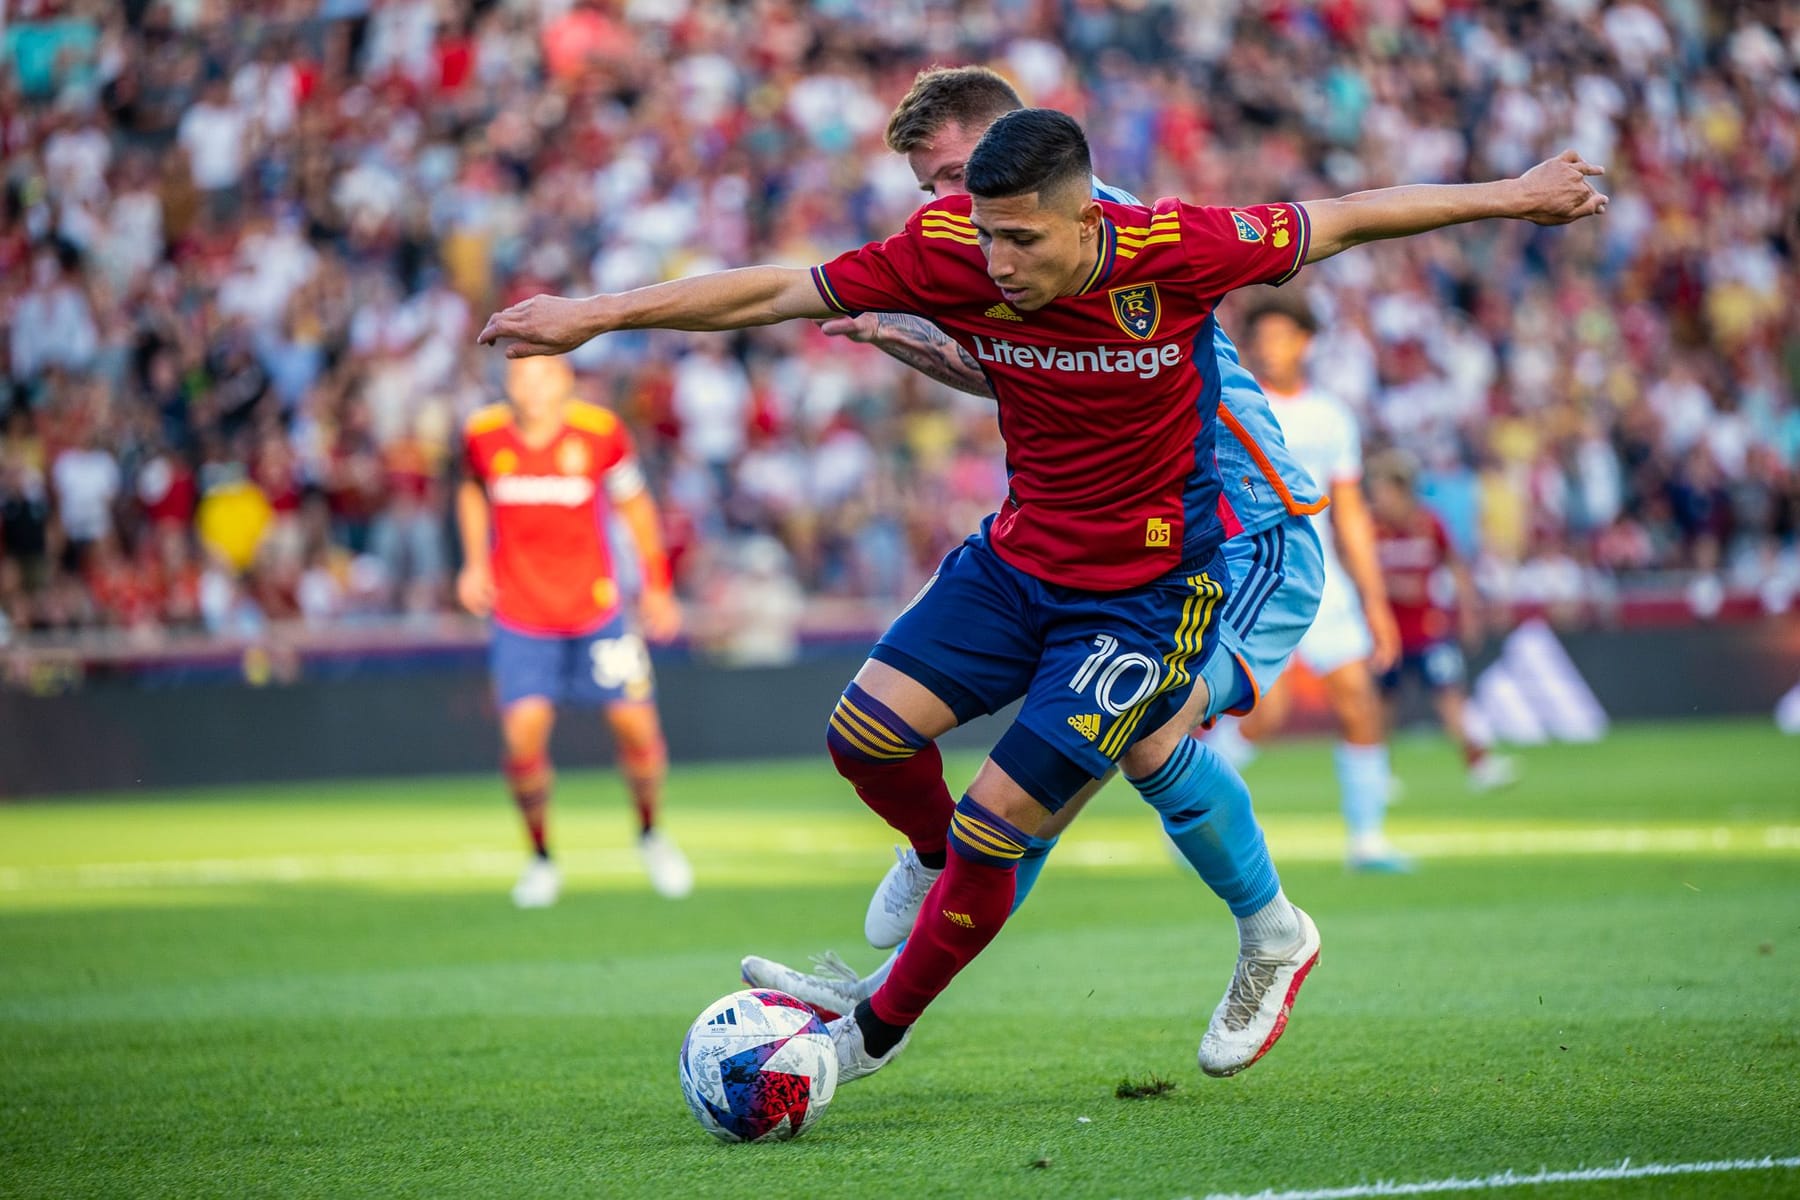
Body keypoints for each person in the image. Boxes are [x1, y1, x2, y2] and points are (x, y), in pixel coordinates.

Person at [478, 109, 1607, 1086]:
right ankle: (934, 872)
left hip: (1151, 594)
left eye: (1020, 238)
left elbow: (1353, 214)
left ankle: (873, 1032)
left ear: (1088, 219)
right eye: (980, 230)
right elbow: (779, 288)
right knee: (865, 738)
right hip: (1018, 562)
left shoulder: (1180, 248)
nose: (996, 260)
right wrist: (595, 313)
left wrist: (1517, 196)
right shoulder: (953, 252)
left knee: (1017, 816)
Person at [741, 65, 1332, 1039]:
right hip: (1113, 550)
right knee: (1040, 778)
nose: (942, 206)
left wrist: (1517, 199)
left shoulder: (1123, 237)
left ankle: (1272, 932)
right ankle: (893, 983)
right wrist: (903, 338)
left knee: (1126, 745)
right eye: (931, 190)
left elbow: (1320, 230)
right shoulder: (1012, 242)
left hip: (1242, 538)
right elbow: (1027, 371)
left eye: (948, 175)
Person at [457, 356, 692, 907]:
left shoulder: (600, 432)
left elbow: (635, 505)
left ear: (565, 381)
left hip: (599, 609)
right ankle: (540, 857)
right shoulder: (482, 434)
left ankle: (651, 832)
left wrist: (657, 586)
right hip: (521, 613)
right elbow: (470, 489)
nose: (530, 388)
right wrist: (473, 562)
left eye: (541, 376)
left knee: (636, 724)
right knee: (523, 733)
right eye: (519, 377)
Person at [1208, 297, 1412, 872]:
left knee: (1359, 701)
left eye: (1283, 336)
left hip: (1324, 581)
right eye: (1263, 337)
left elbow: (1349, 513)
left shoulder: (1331, 416)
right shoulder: (1233, 405)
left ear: (1307, 342)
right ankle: (1189, 810)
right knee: (1264, 716)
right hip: (1253, 576)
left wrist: (1375, 602)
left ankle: (1368, 840)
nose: (1271, 347)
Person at [1367, 448, 1519, 790]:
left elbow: (1456, 565)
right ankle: (1377, 775)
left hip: (1427, 629)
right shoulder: (1370, 527)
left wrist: (1468, 613)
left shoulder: (1428, 523)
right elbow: (1354, 569)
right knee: (1381, 706)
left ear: (1402, 490)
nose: (1378, 499)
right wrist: (1387, 587)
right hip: (1385, 632)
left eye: (1383, 491)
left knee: (1450, 696)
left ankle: (1479, 765)